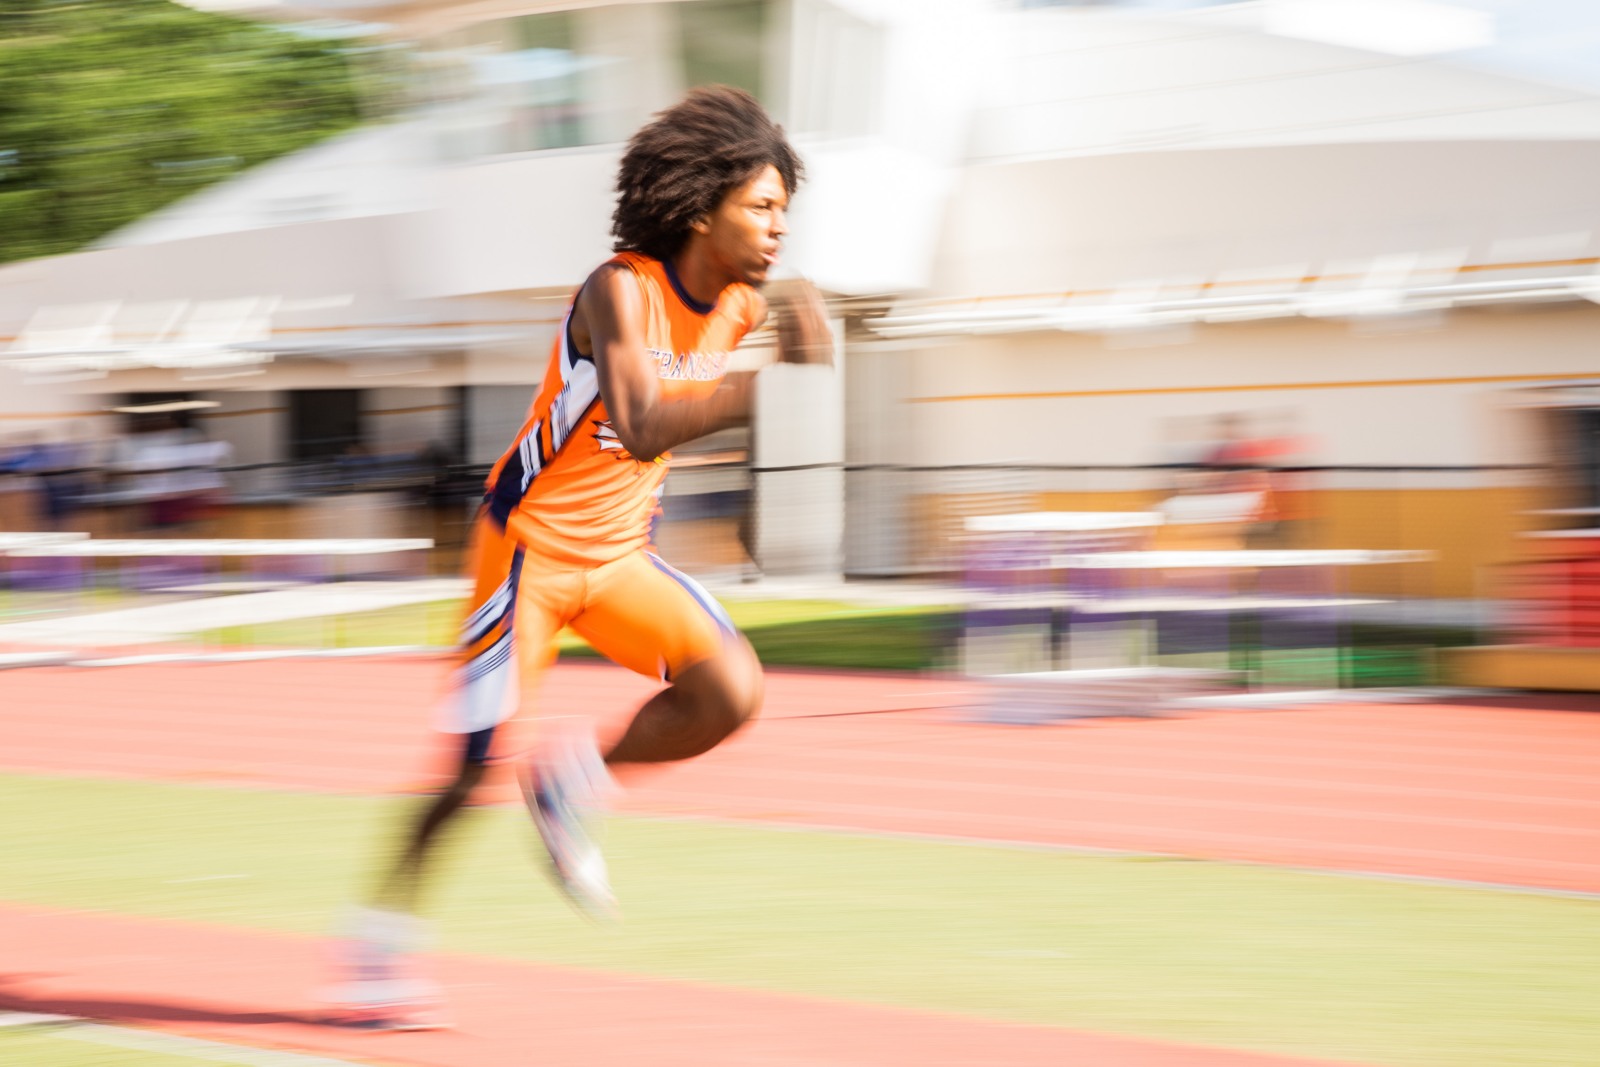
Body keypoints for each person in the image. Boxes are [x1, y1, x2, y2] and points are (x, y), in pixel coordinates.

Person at [328, 85, 832, 1030]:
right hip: (527, 559)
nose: (777, 229)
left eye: (784, 212)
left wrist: (800, 321)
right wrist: (767, 384)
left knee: (731, 691)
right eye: (762, 208)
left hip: (617, 558)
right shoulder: (619, 289)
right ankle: (377, 932)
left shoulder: (737, 302)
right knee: (471, 767)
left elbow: (762, 338)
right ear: (699, 208)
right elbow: (640, 423)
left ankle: (569, 785)